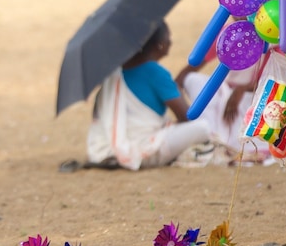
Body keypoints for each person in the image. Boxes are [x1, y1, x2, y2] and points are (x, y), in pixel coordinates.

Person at [81, 22, 212, 171]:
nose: (170, 42)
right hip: (146, 150)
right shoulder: (156, 72)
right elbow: (187, 117)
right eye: (168, 38)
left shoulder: (114, 74)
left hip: (104, 150)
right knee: (204, 127)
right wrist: (175, 88)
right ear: (160, 45)